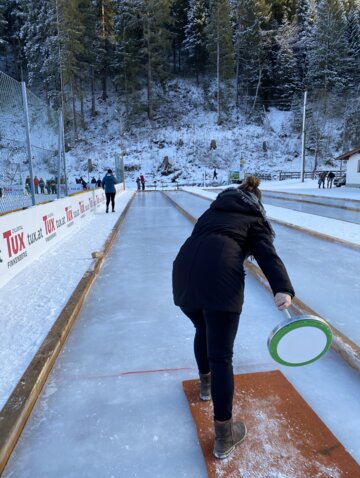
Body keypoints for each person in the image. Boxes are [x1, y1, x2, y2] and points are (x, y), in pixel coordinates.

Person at [172, 175, 294, 460]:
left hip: (183, 275)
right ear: (256, 202)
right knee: (221, 355)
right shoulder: (254, 217)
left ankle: (205, 386)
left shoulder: (213, 211)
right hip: (220, 277)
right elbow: (267, 254)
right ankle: (224, 436)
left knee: (202, 329)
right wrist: (283, 288)